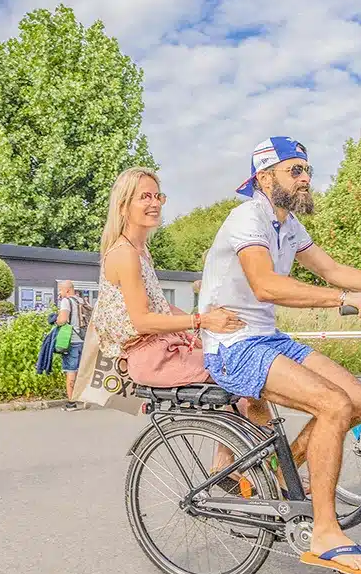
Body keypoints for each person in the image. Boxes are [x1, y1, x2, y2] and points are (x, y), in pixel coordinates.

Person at [198, 136, 361, 574]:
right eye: (295, 170)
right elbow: (266, 285)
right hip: (233, 344)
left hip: (267, 337)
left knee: (359, 399)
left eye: (307, 170)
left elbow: (332, 270)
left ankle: (268, 472)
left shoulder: (290, 225)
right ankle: (325, 533)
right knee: (332, 404)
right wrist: (347, 299)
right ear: (264, 177)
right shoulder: (246, 217)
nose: (306, 178)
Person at [89, 167, 272, 435]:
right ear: (123, 205)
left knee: (239, 371)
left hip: (163, 349)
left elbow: (162, 309)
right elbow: (142, 320)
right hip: (152, 358)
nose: (154, 203)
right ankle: (264, 467)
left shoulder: (140, 252)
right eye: (145, 197)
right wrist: (202, 320)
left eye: (158, 196)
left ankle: (228, 466)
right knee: (245, 370)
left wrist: (205, 324)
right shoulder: (125, 254)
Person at [56, 280, 86, 411]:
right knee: (82, 371)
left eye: (61, 290)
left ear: (67, 290)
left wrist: (55, 320)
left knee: (71, 371)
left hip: (72, 341)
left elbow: (63, 319)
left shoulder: (66, 301)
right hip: (84, 340)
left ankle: (71, 403)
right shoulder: (82, 301)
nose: (60, 293)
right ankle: (85, 399)